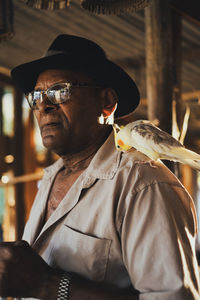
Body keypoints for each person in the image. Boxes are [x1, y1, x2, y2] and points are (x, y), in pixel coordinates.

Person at [0, 34, 199, 300]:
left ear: (106, 103)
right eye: (36, 96)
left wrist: (48, 285)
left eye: (60, 90)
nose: (44, 106)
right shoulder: (49, 178)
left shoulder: (143, 184)